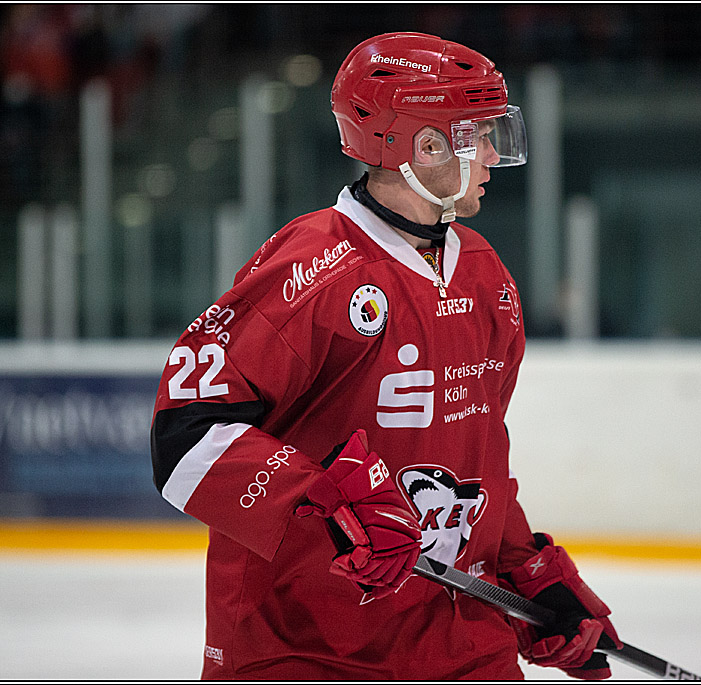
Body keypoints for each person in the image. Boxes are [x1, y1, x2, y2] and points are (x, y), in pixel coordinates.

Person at [150, 31, 620, 680]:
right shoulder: (309, 269)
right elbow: (183, 437)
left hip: (456, 643)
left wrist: (525, 571)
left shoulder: (489, 280)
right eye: (475, 135)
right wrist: (321, 499)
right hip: (305, 646)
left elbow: (475, 456)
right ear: (423, 146)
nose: (490, 155)